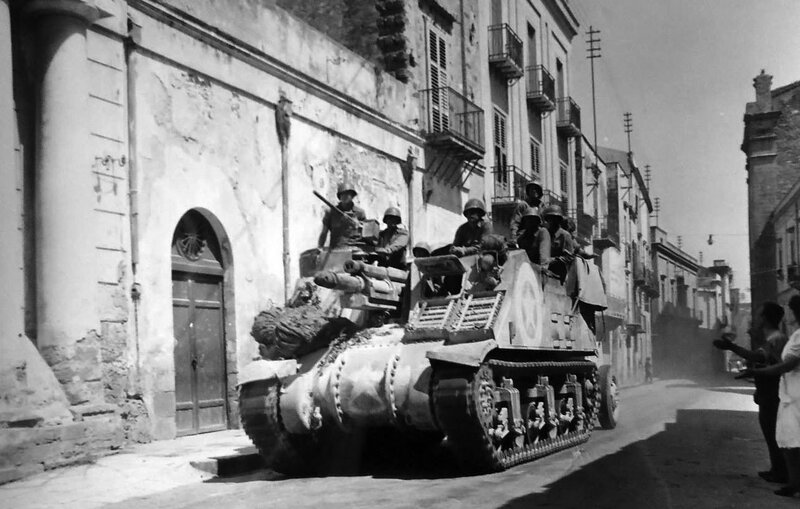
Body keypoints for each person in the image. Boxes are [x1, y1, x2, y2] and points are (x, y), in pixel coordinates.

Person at [715, 302, 788, 484]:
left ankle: (781, 472)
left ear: (765, 318)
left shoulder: (776, 338)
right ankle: (777, 469)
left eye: (759, 314)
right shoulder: (774, 337)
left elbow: (758, 357)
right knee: (770, 432)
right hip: (769, 391)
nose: (756, 319)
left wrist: (731, 347)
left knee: (772, 432)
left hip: (773, 393)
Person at [741, 296, 800, 497]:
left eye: (790, 310)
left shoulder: (783, 338)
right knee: (783, 436)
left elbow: (782, 364)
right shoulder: (789, 336)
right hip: (784, 392)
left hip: (790, 394)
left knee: (788, 437)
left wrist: (756, 373)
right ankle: (788, 478)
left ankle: (787, 477)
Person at [318, 181, 366, 249]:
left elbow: (366, 234)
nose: (344, 196)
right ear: (339, 196)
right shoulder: (331, 212)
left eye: (347, 194)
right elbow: (324, 232)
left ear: (352, 196)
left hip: (355, 251)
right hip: (336, 250)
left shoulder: (360, 213)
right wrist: (320, 247)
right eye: (342, 194)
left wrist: (357, 225)